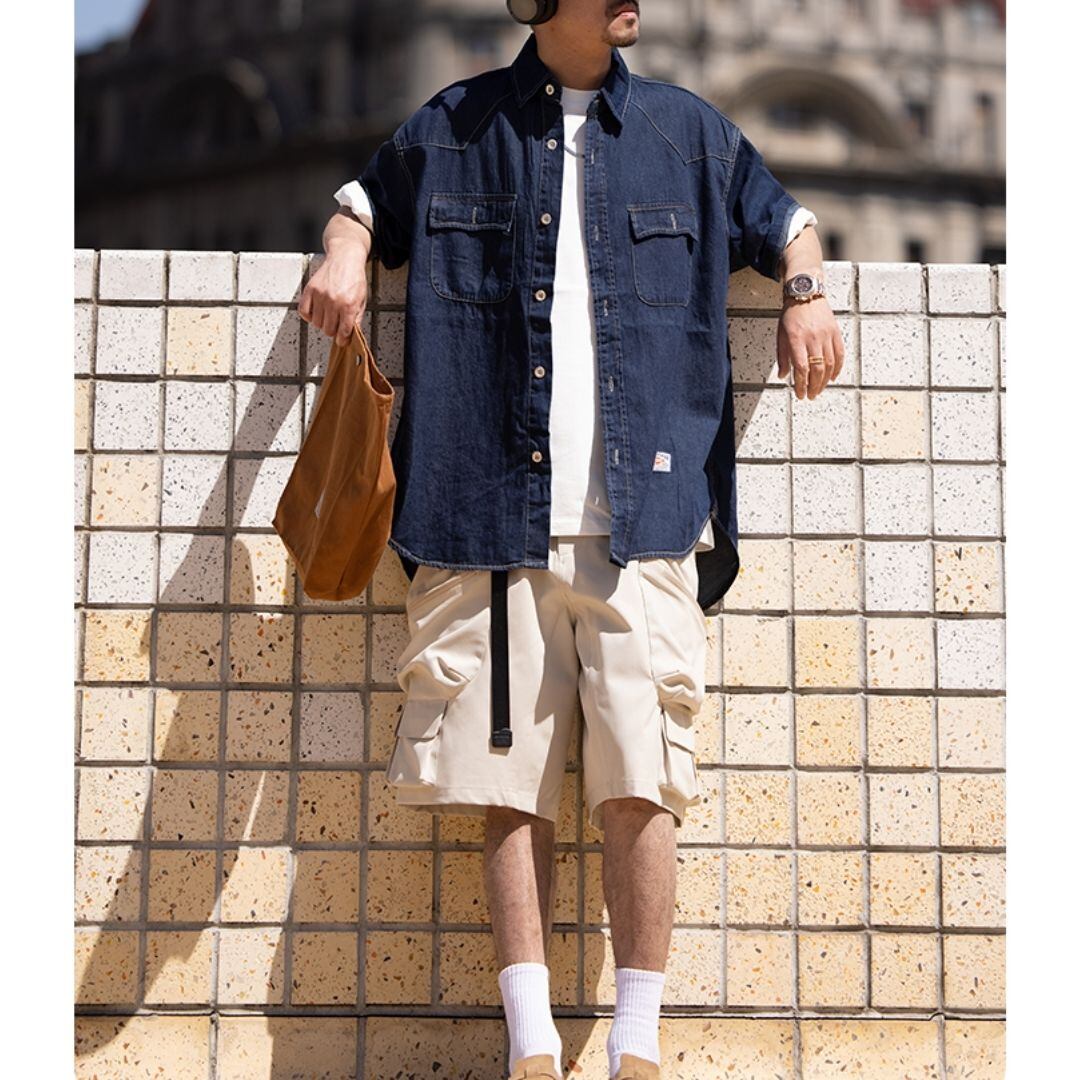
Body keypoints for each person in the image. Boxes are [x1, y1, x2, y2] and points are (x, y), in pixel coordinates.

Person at [299, 2, 843, 1077]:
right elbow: (362, 203)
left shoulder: (689, 133)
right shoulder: (455, 126)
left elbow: (789, 223)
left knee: (645, 779)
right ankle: (532, 1043)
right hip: (485, 511)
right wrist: (345, 253)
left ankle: (637, 1043)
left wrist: (806, 294)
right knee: (506, 786)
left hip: (645, 518)